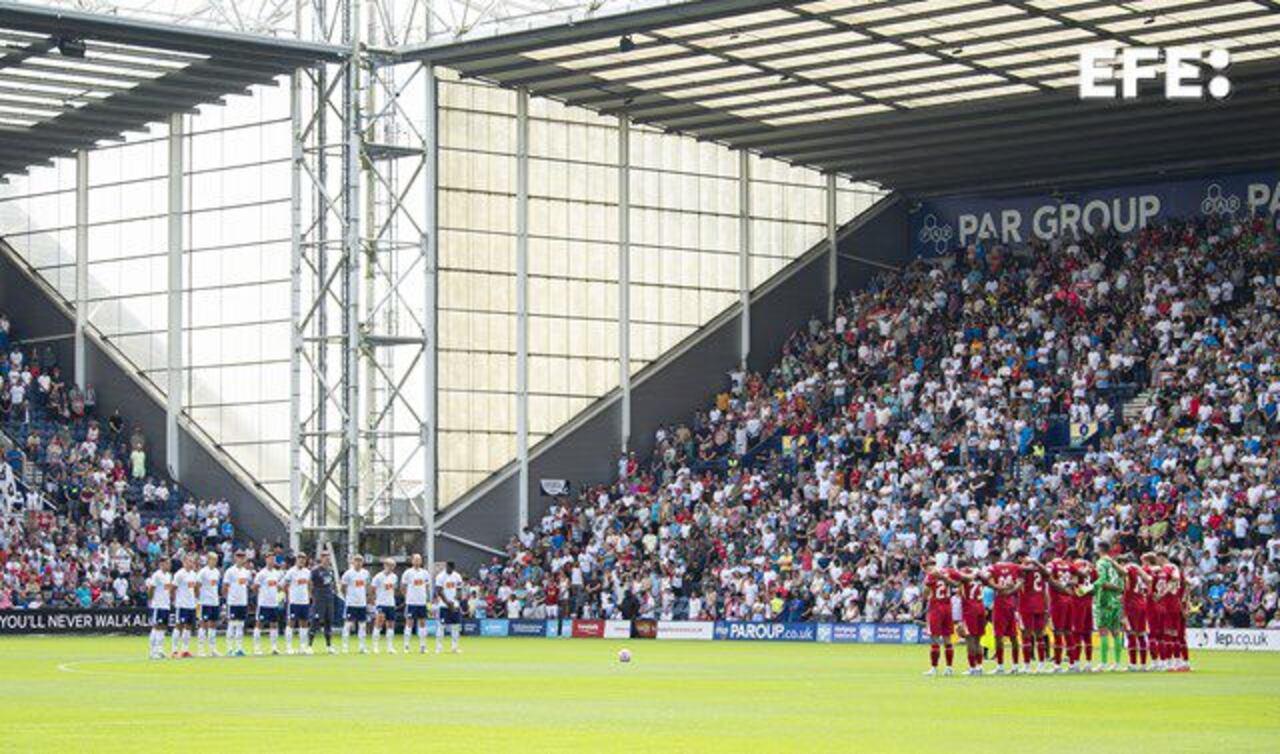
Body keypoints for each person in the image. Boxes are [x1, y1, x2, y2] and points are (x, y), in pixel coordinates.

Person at [986, 558, 1023, 674]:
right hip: (1011, 604)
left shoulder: (994, 567)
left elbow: (986, 578)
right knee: (1014, 637)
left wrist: (998, 587)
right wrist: (1013, 588)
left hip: (1000, 605)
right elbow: (1023, 577)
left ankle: (1000, 666)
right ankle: (1015, 665)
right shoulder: (1014, 567)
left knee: (998, 637)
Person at [922, 559, 958, 676]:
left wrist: (925, 596)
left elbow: (925, 593)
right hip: (948, 607)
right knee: (947, 638)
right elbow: (957, 582)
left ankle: (934, 668)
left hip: (936, 607)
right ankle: (949, 668)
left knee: (935, 639)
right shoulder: (947, 572)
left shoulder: (930, 576)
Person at [1092, 545, 1125, 672]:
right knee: (1116, 631)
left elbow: (1102, 580)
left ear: (1100, 550)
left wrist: (1088, 588)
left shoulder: (1101, 563)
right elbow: (1123, 576)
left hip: (1104, 600)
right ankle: (1117, 663)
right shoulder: (1114, 563)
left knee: (1103, 631)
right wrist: (1118, 589)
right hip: (1116, 601)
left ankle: (1104, 663)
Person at [1118, 553, 1151, 671]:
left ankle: (1132, 664)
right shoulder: (1139, 570)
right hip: (1142, 602)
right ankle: (1143, 664)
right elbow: (1149, 579)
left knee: (1131, 633)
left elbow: (1125, 580)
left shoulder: (1128, 568)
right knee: (1141, 634)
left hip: (1131, 605)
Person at [1045, 553, 1077, 672]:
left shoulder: (1051, 564)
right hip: (1070, 601)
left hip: (1058, 601)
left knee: (1058, 632)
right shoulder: (1068, 564)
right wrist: (1070, 585)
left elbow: (1049, 578)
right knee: (1068, 632)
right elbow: (1077, 576)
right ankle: (1073, 664)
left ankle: (1057, 665)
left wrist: (1063, 589)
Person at [1018, 557, 1051, 673]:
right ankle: (1041, 664)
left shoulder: (1022, 570)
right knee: (1039, 635)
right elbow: (1048, 574)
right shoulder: (1040, 571)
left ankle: (1027, 665)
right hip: (1040, 604)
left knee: (1026, 635)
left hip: (1026, 605)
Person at [955, 563, 986, 676]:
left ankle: (972, 667)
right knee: (978, 640)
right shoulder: (980, 580)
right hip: (981, 608)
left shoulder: (964, 580)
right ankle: (980, 666)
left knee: (970, 640)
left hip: (970, 610)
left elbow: (958, 591)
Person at [222, 550, 253, 657]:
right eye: (238, 556)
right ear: (235, 558)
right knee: (232, 624)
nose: (240, 558)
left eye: (242, 556)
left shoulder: (246, 572)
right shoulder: (230, 571)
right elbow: (225, 586)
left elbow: (247, 586)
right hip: (233, 602)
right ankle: (230, 648)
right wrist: (226, 600)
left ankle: (239, 648)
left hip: (242, 602)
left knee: (240, 625)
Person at [282, 553, 313, 655]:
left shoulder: (307, 572)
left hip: (304, 601)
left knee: (304, 624)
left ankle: (302, 646)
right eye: (300, 559)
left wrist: (309, 596)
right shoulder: (291, 572)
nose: (302, 561)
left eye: (304, 559)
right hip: (294, 601)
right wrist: (288, 596)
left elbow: (309, 585)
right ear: (296, 560)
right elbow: (284, 585)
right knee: (291, 623)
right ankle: (289, 647)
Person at [339, 554, 371, 654]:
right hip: (351, 603)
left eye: (360, 561)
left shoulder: (365, 573)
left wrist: (367, 597)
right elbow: (342, 588)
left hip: (362, 603)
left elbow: (367, 586)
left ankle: (362, 647)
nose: (358, 563)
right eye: (356, 561)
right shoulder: (348, 574)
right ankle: (344, 647)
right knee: (348, 624)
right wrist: (347, 597)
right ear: (353, 562)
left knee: (362, 625)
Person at [1071, 556, 1098, 672]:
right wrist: (1088, 589)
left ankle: (1076, 663)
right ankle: (1088, 663)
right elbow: (1096, 585)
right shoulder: (1092, 568)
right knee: (1087, 634)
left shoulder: (1075, 566)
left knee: (1076, 634)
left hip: (1077, 603)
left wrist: (1079, 591)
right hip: (1088, 603)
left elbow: (1074, 582)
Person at [252, 557, 283, 655]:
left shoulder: (277, 573)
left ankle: (274, 647)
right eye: (270, 559)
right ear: (266, 560)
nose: (271, 561)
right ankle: (257, 648)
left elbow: (278, 586)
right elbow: (255, 587)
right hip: (263, 603)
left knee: (274, 625)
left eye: (273, 559)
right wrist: (262, 595)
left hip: (273, 603)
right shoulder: (261, 573)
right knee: (259, 624)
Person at [401, 553, 431, 654]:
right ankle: (406, 646)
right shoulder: (408, 573)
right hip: (411, 602)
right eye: (416, 559)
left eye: (419, 559)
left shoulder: (425, 573)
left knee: (422, 623)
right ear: (412, 561)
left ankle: (423, 646)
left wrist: (427, 598)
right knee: (409, 623)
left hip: (422, 602)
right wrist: (407, 598)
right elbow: (403, 587)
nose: (418, 561)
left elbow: (427, 587)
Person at [309, 551, 338, 655]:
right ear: (321, 558)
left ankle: (329, 646)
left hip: (329, 599)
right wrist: (313, 597)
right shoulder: (316, 570)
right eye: (325, 557)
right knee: (315, 621)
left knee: (328, 621)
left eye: (328, 557)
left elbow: (332, 584)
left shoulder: (330, 570)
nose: (327, 559)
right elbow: (310, 584)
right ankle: (309, 646)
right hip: (319, 598)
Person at [171, 554, 199, 658]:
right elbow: (173, 588)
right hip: (181, 604)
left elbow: (195, 588)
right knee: (179, 626)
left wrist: (196, 599)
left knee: (188, 627)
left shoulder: (193, 574)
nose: (191, 563)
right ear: (184, 562)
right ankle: (174, 650)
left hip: (191, 605)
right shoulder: (179, 574)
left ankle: (185, 650)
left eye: (192, 561)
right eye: (189, 561)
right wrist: (174, 600)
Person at [146, 557, 172, 660]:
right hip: (158, 605)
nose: (169, 565)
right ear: (161, 564)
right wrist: (151, 600)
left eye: (169, 563)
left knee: (163, 627)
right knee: (156, 627)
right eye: (167, 563)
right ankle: (153, 651)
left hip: (166, 605)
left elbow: (168, 590)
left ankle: (160, 649)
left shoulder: (169, 576)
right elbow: (151, 589)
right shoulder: (157, 575)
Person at [196, 552, 222, 657]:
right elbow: (197, 586)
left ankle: (212, 649)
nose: (215, 561)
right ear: (208, 560)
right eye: (213, 559)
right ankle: (201, 649)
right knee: (203, 624)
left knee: (213, 625)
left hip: (214, 601)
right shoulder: (203, 572)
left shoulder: (217, 572)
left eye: (216, 559)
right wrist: (199, 598)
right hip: (205, 602)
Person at [435, 561, 464, 654]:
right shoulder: (440, 576)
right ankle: (439, 647)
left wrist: (457, 598)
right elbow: (439, 591)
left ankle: (454, 647)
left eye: (452, 568)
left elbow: (459, 590)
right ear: (446, 566)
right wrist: (448, 602)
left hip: (455, 605)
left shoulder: (457, 576)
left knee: (455, 626)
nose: (450, 569)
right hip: (444, 605)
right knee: (441, 626)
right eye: (449, 567)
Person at [371, 558, 399, 654]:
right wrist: (374, 601)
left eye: (393, 566)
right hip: (381, 603)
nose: (391, 568)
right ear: (385, 565)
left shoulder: (394, 577)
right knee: (379, 623)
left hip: (390, 603)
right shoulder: (378, 577)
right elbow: (372, 589)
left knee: (390, 625)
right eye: (389, 565)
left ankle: (390, 647)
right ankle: (375, 646)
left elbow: (393, 590)